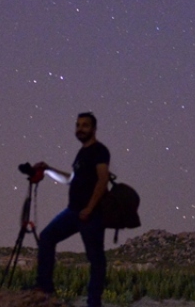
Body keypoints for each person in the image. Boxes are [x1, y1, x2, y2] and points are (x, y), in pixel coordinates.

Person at [29, 112, 110, 307]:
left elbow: (102, 180)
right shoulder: (81, 154)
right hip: (73, 211)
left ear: (94, 129)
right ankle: (45, 286)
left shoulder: (99, 151)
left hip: (91, 214)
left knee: (95, 258)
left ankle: (93, 303)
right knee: (47, 237)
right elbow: (70, 179)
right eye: (78, 125)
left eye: (85, 125)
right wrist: (48, 170)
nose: (80, 129)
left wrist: (90, 208)